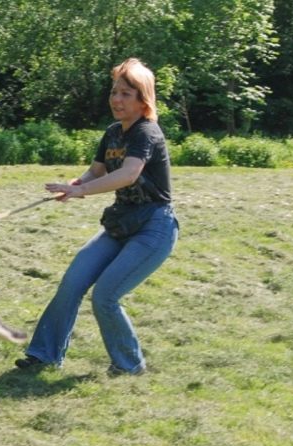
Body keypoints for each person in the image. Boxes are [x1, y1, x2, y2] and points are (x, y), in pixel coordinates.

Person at [14, 58, 178, 376]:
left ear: (143, 99)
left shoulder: (147, 132)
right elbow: (97, 171)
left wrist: (81, 192)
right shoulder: (113, 133)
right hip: (120, 222)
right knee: (72, 282)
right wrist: (75, 184)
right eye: (114, 92)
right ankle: (44, 355)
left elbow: (128, 174)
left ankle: (130, 366)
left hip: (153, 226)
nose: (117, 99)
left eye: (126, 94)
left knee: (105, 296)